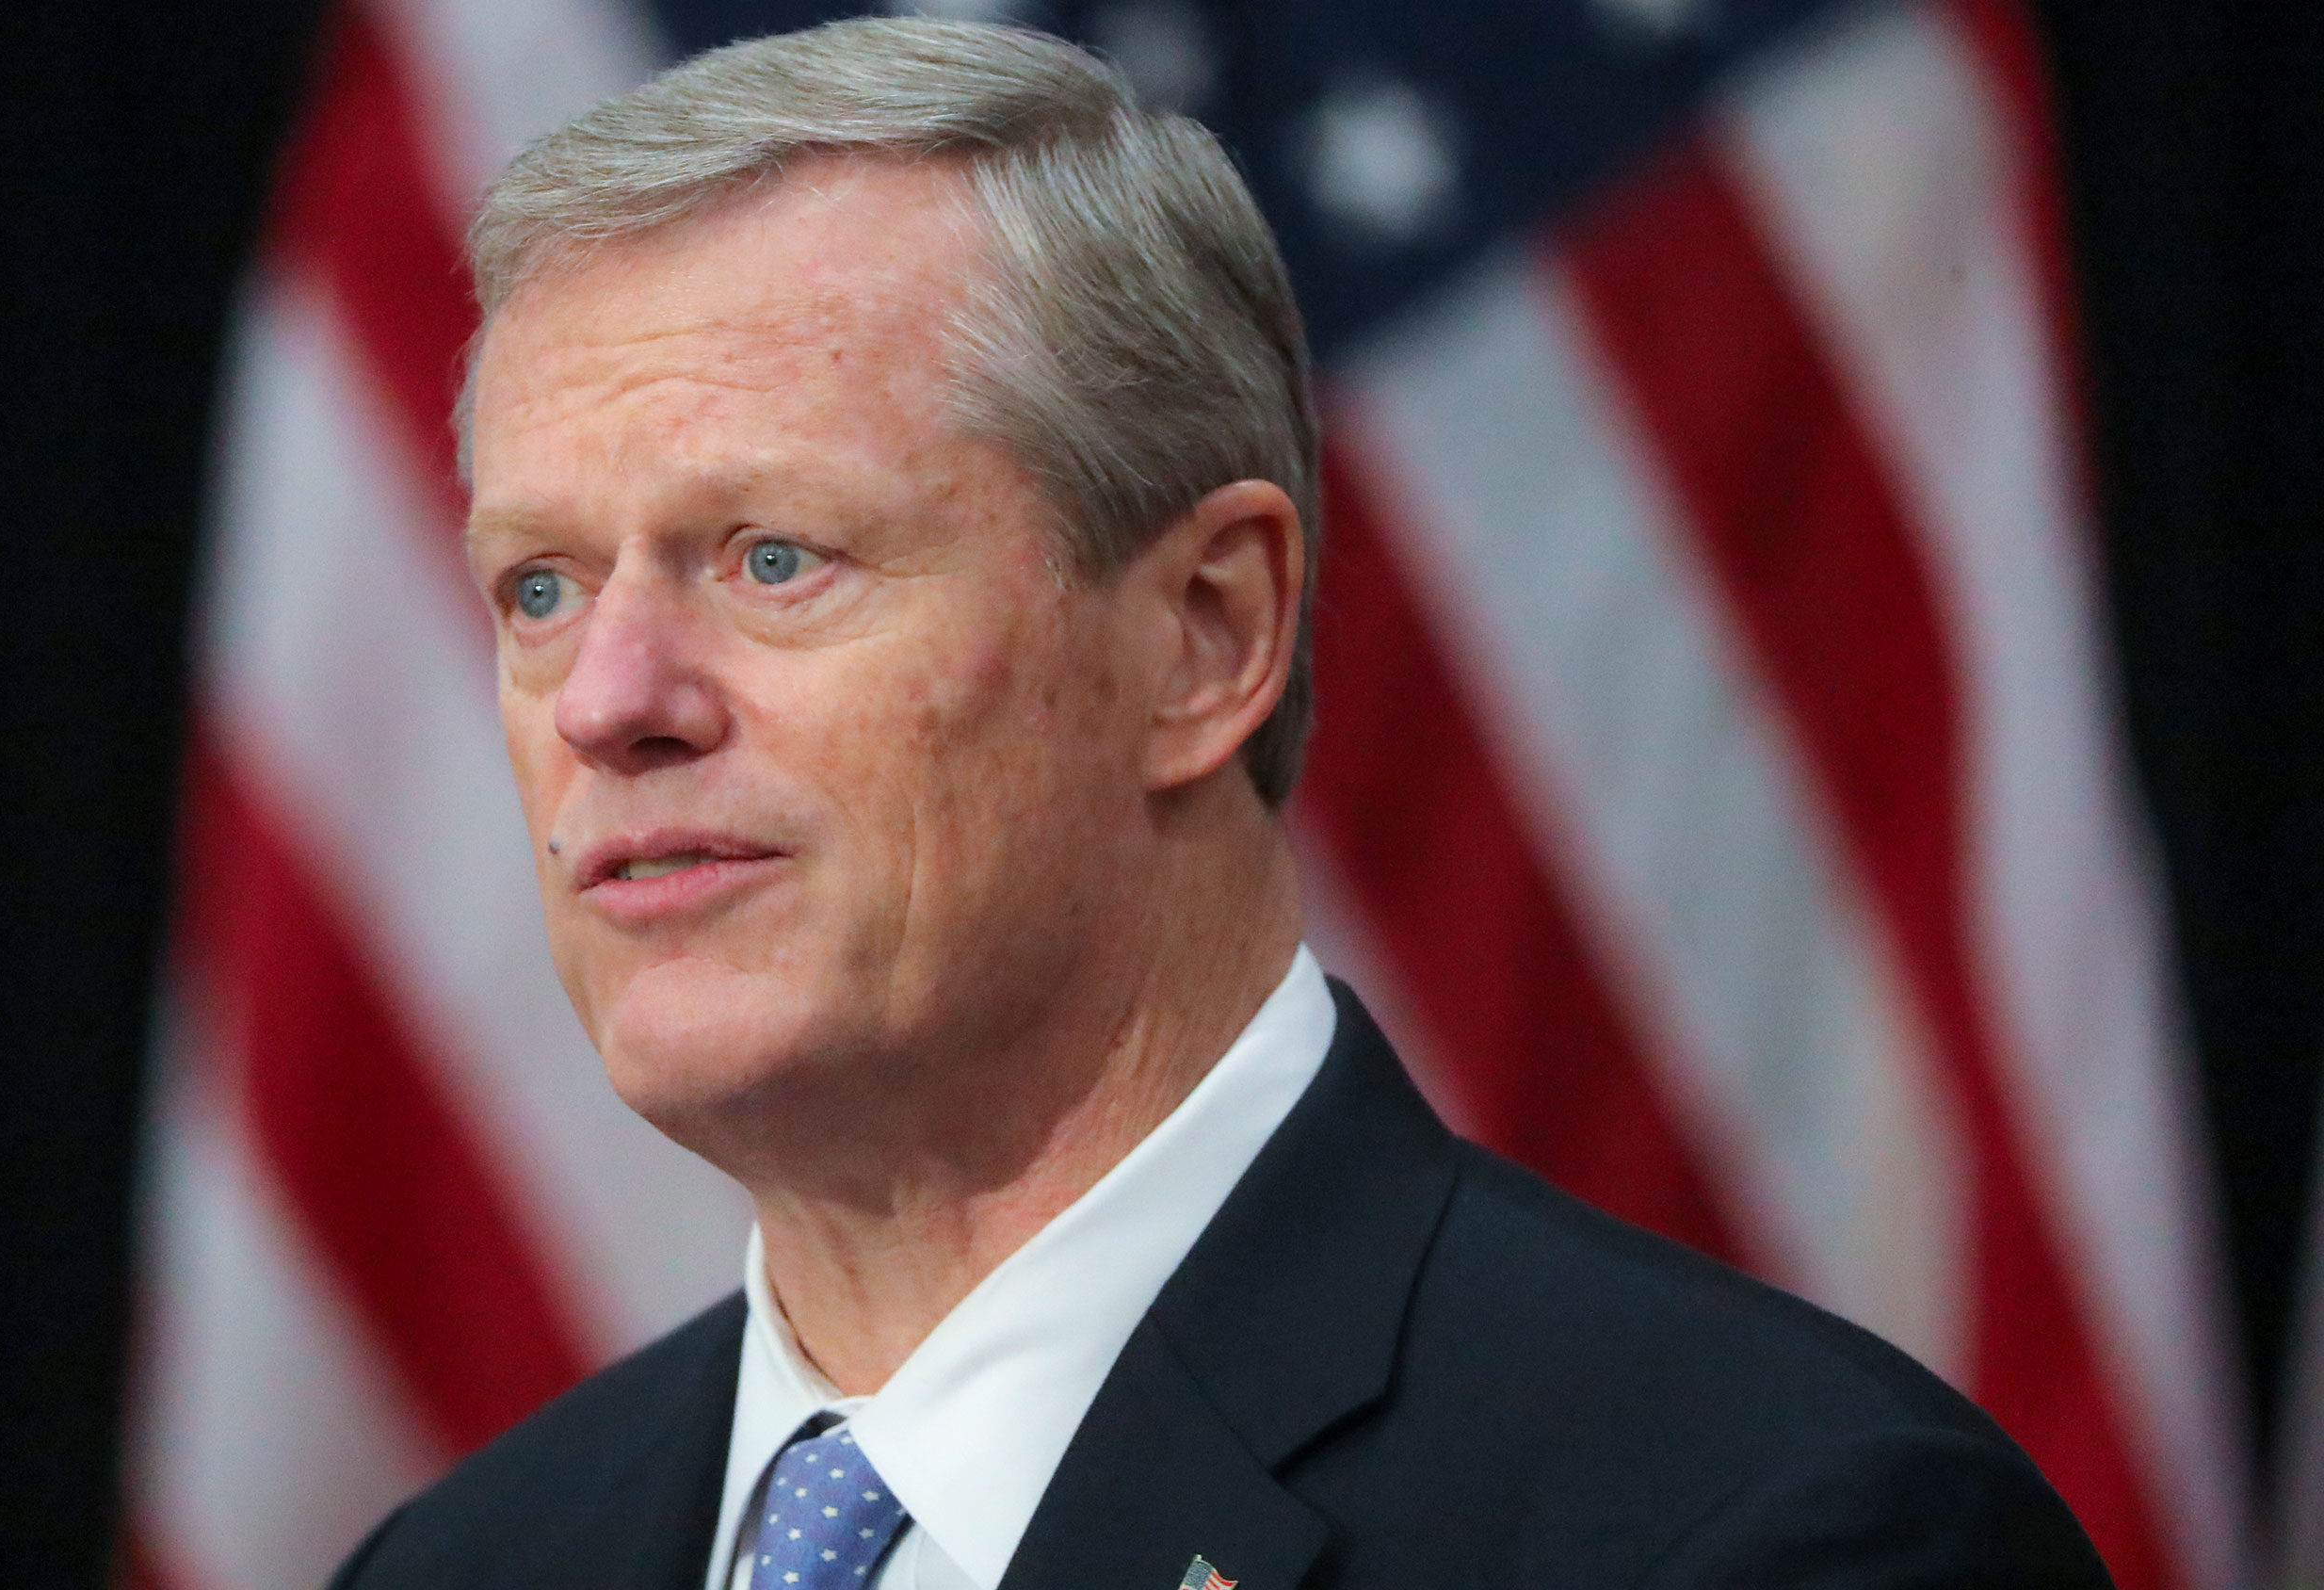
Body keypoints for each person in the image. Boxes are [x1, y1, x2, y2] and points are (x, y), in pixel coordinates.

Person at [328, 16, 2108, 1589]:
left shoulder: (1764, 1533)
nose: (614, 702)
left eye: (774, 556)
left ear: (1205, 634)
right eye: (539, 590)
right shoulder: (464, 1560)